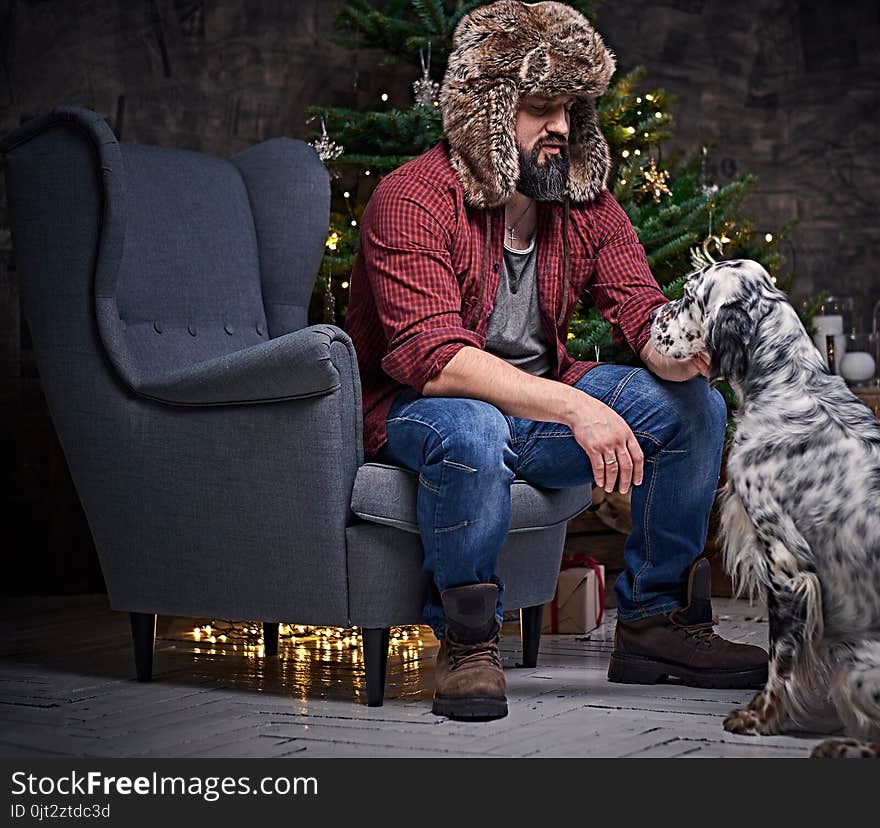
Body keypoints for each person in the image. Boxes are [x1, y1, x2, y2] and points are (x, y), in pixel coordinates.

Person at [344, 0, 767, 721]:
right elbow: (436, 359)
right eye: (541, 108)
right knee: (473, 425)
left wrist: (695, 341)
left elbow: (641, 310)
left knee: (695, 407)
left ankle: (653, 623)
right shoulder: (411, 198)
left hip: (537, 407)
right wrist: (580, 408)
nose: (562, 129)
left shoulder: (582, 202)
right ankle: (469, 642)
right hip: (424, 409)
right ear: (487, 110)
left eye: (570, 109)